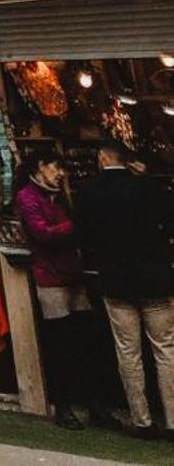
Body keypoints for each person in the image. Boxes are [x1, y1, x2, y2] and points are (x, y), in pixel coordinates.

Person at [75, 137, 174, 439]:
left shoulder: (89, 192)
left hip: (115, 282)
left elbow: (82, 236)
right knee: (166, 350)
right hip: (155, 279)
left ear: (103, 158)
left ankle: (142, 420)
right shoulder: (149, 187)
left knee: (127, 353)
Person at [14, 148, 111, 430]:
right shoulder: (28, 197)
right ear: (41, 166)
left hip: (73, 274)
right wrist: (75, 226)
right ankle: (65, 407)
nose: (61, 174)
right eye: (57, 168)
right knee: (61, 345)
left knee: (86, 342)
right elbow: (41, 232)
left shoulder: (61, 195)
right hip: (51, 278)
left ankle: (95, 404)